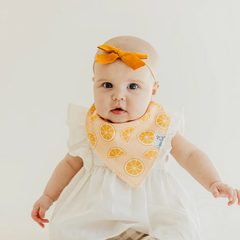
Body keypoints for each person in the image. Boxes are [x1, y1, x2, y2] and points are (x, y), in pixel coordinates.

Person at [31, 35, 240, 240]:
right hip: (96, 212)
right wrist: (48, 197)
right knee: (65, 231)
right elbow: (69, 164)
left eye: (133, 87)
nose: (118, 95)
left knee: (181, 230)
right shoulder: (89, 127)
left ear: (153, 90)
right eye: (107, 85)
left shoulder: (161, 128)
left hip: (153, 210)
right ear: (93, 84)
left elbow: (190, 155)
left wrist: (214, 181)